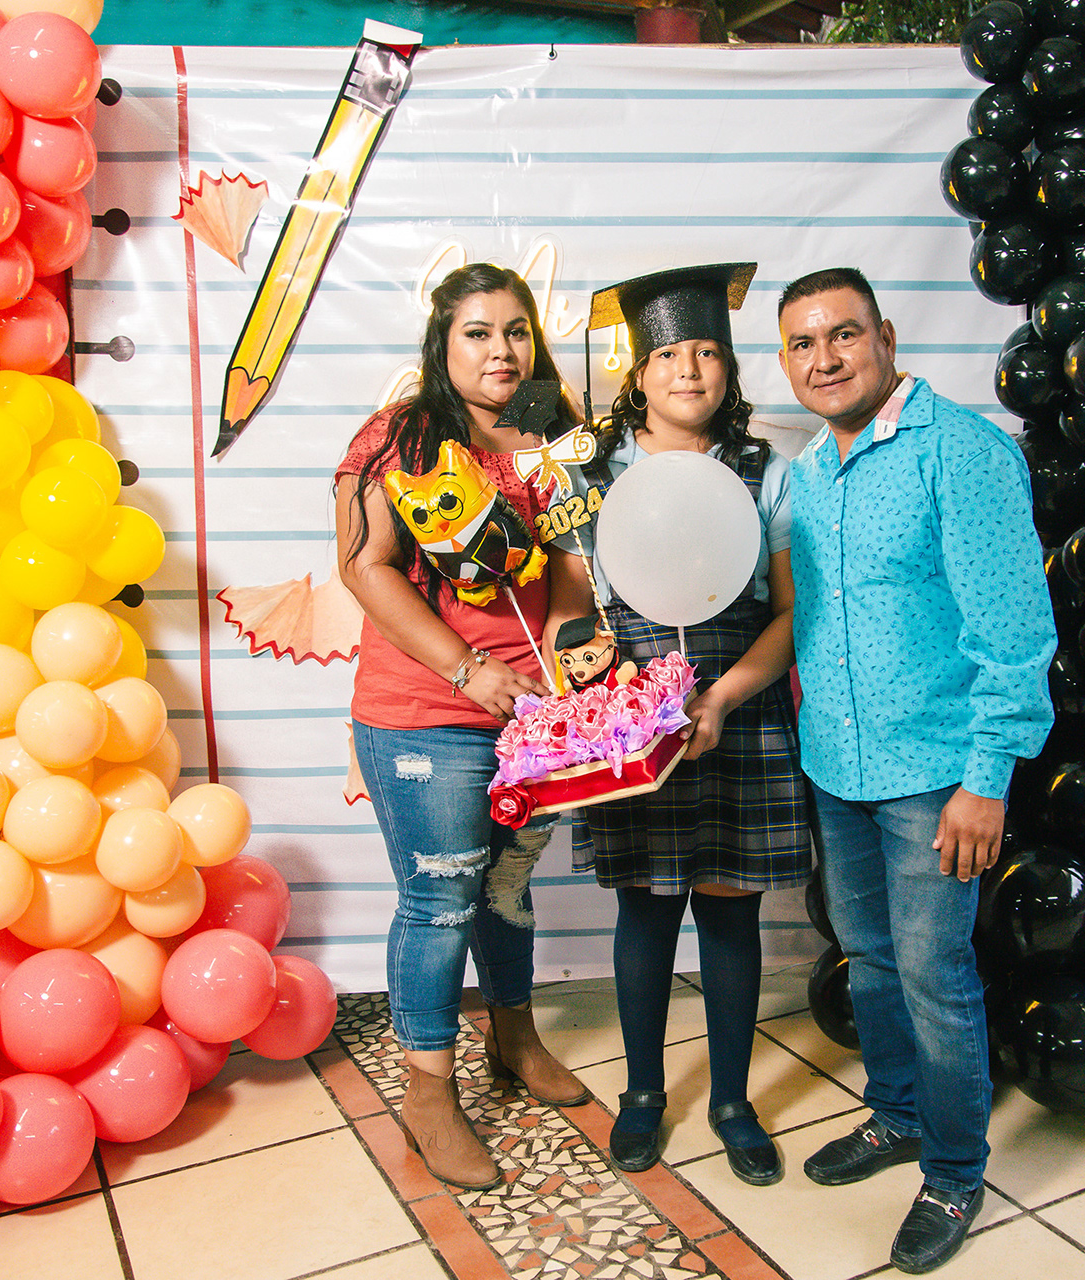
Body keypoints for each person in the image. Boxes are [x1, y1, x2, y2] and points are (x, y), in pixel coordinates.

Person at [777, 267, 1056, 1273]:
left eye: (844, 335)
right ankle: (895, 1113)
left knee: (936, 975)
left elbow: (1014, 633)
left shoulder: (963, 452)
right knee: (869, 955)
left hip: (937, 775)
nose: (825, 359)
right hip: (837, 766)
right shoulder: (810, 471)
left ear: (886, 338)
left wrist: (988, 778)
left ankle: (952, 1171)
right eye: (803, 344)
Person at [551, 263, 811, 1186]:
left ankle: (734, 1101)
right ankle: (642, 1094)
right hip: (634, 717)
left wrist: (722, 697)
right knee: (647, 907)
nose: (688, 370)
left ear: (729, 367)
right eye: (668, 355)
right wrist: (609, 685)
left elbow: (790, 613)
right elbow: (569, 611)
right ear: (639, 370)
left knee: (731, 911)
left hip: (738, 707)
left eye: (706, 352)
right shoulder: (590, 475)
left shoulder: (767, 471)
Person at [336, 262, 592, 1192]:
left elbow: (571, 562)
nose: (501, 350)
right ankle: (429, 1093)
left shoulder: (553, 431)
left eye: (516, 330)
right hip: (427, 716)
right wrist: (466, 669)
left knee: (507, 890)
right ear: (442, 345)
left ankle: (514, 1039)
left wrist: (567, 659)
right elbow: (364, 566)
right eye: (478, 332)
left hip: (532, 714)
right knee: (441, 900)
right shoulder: (397, 437)